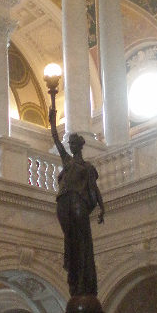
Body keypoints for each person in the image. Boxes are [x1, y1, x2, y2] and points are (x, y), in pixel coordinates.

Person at [49, 106, 105, 297]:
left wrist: (102, 208)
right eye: (70, 143)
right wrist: (52, 122)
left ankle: (83, 280)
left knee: (81, 243)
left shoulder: (87, 167)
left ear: (79, 145)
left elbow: (94, 188)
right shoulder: (67, 162)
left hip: (78, 204)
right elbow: (57, 141)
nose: (70, 146)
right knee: (70, 242)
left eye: (73, 143)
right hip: (64, 204)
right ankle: (75, 276)